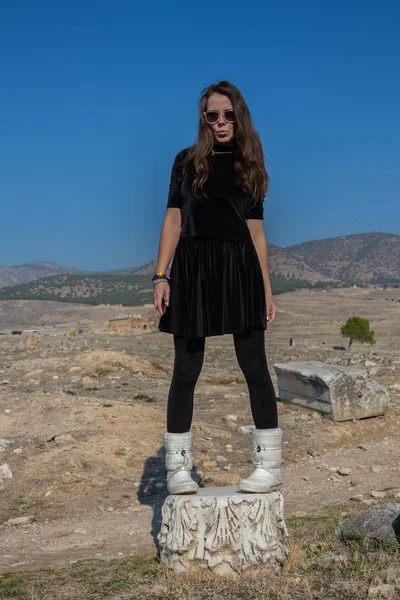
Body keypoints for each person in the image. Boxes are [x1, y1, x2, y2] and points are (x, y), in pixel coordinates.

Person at [153, 80, 282, 495]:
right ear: (203, 118)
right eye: (213, 115)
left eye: (228, 114)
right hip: (191, 268)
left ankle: (269, 465)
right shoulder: (186, 161)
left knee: (254, 368)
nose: (221, 122)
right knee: (186, 371)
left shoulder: (251, 164)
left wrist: (266, 289)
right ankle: (177, 468)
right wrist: (161, 275)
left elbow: (257, 232)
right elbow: (173, 219)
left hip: (239, 268)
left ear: (238, 115)